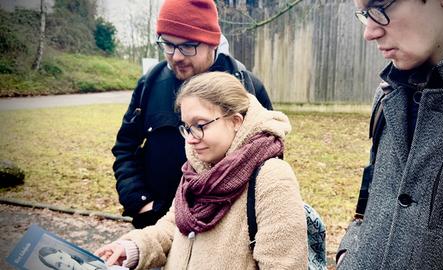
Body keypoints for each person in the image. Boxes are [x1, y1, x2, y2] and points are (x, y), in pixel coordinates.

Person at [96, 72, 307, 269]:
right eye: (187, 127)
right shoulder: (195, 170)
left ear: (235, 121)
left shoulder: (272, 178)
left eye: (200, 125)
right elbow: (174, 228)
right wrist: (133, 248)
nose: (190, 138)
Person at [337, 0, 443, 269]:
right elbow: (369, 199)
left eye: (380, 6)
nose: (369, 32)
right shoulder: (387, 96)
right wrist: (350, 251)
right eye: (365, 14)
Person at [112, 0, 273, 229]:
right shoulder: (151, 83)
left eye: (188, 45)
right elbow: (125, 147)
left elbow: (268, 161)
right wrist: (140, 203)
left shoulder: (246, 87)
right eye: (168, 44)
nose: (176, 56)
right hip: (156, 226)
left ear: (212, 42)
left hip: (222, 234)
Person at [38, 247, 105, 270]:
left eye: (61, 258)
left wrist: (83, 264)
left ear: (63, 253)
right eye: (59, 265)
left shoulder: (98, 261)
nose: (67, 264)